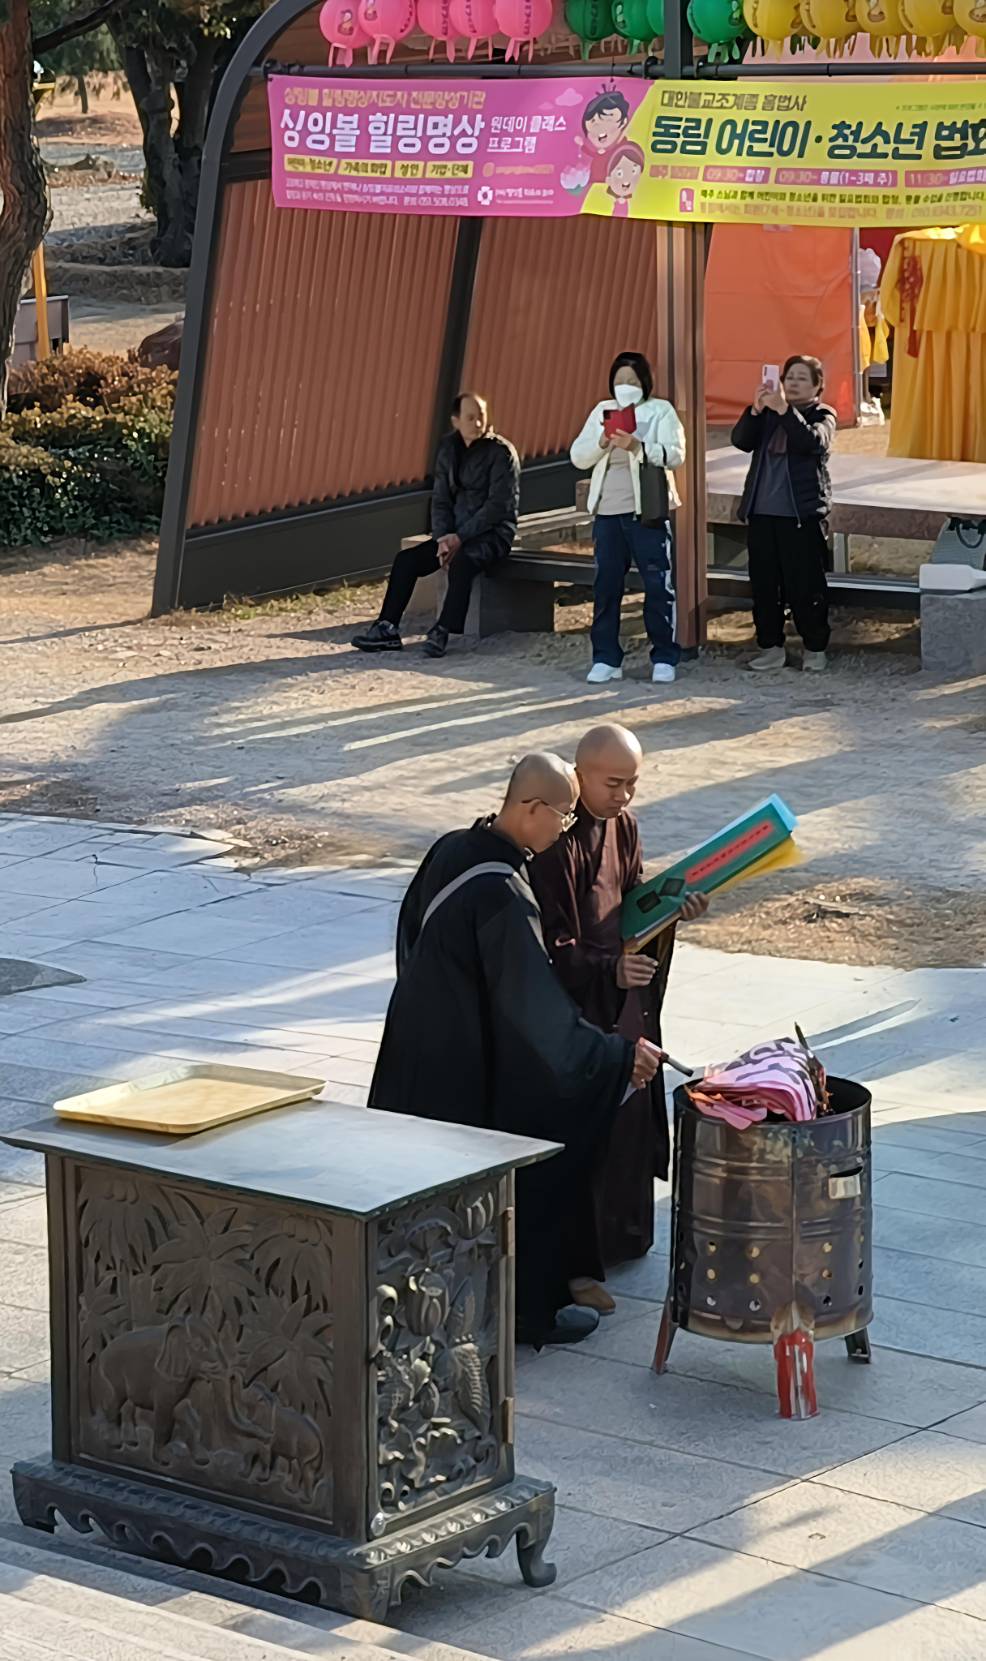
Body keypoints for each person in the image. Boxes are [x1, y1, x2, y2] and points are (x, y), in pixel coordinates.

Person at [368, 752, 662, 1349]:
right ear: (530, 808)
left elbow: (410, 939)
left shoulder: (453, 848)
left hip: (417, 1046)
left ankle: (432, 1308)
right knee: (536, 1145)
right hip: (464, 1068)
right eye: (562, 815)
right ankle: (525, 1312)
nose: (565, 829)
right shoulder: (502, 892)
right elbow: (534, 1008)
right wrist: (612, 1056)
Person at [529, 724, 707, 1314]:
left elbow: (633, 905)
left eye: (632, 783)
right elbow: (551, 941)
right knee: (590, 1128)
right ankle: (579, 1262)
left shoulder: (624, 826)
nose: (623, 796)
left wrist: (676, 909)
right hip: (581, 1005)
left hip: (624, 993)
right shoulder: (557, 839)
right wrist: (608, 970)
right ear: (578, 774)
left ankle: (624, 1236)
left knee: (631, 1120)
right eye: (612, 783)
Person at [352, 393, 520, 661]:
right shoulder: (448, 449)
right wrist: (442, 538)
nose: (478, 423)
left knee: (463, 562)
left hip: (492, 534)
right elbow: (440, 499)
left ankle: (442, 630)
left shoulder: (501, 452)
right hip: (453, 534)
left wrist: (459, 538)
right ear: (456, 421)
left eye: (481, 416)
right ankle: (387, 627)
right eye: (470, 418)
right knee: (407, 561)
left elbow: (497, 506)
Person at [571, 352, 685, 688]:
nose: (625, 387)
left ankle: (664, 656)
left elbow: (676, 454)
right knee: (606, 586)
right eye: (620, 380)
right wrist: (602, 441)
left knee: (657, 584)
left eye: (632, 381)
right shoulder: (602, 410)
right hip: (608, 512)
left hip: (645, 511)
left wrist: (638, 446)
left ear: (645, 383)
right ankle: (606, 657)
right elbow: (578, 457)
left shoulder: (661, 410)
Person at [731, 355, 836, 675]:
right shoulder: (767, 414)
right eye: (789, 377)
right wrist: (755, 410)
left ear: (817, 385)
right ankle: (770, 647)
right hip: (762, 512)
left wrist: (785, 411)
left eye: (802, 378)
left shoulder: (823, 414)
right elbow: (740, 441)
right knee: (764, 586)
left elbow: (812, 443)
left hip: (800, 515)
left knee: (805, 585)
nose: (793, 383)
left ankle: (814, 648)